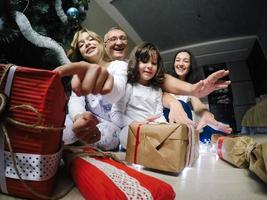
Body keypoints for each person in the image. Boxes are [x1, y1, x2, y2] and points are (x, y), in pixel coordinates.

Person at [110, 42, 193, 149]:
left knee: (172, 135)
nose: (149, 66)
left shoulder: (157, 90)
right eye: (144, 62)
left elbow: (159, 115)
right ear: (136, 63)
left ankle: (155, 150)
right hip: (133, 129)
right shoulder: (128, 86)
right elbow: (116, 115)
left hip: (152, 130)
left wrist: (164, 127)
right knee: (126, 136)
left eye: (153, 63)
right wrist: (138, 125)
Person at [64, 28, 128, 150]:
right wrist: (79, 117)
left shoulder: (119, 65)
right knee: (63, 127)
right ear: (80, 53)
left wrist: (105, 80)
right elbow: (75, 100)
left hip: (112, 124)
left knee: (106, 136)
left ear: (100, 43)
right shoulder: (80, 74)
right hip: (89, 118)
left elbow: (118, 91)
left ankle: (82, 144)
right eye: (81, 45)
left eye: (90, 39)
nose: (87, 44)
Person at [164, 49, 232, 137]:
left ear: (190, 65)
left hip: (180, 128)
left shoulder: (192, 88)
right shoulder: (166, 82)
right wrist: (174, 104)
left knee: (210, 129)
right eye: (177, 60)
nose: (180, 64)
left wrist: (207, 114)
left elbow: (198, 105)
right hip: (163, 121)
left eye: (186, 61)